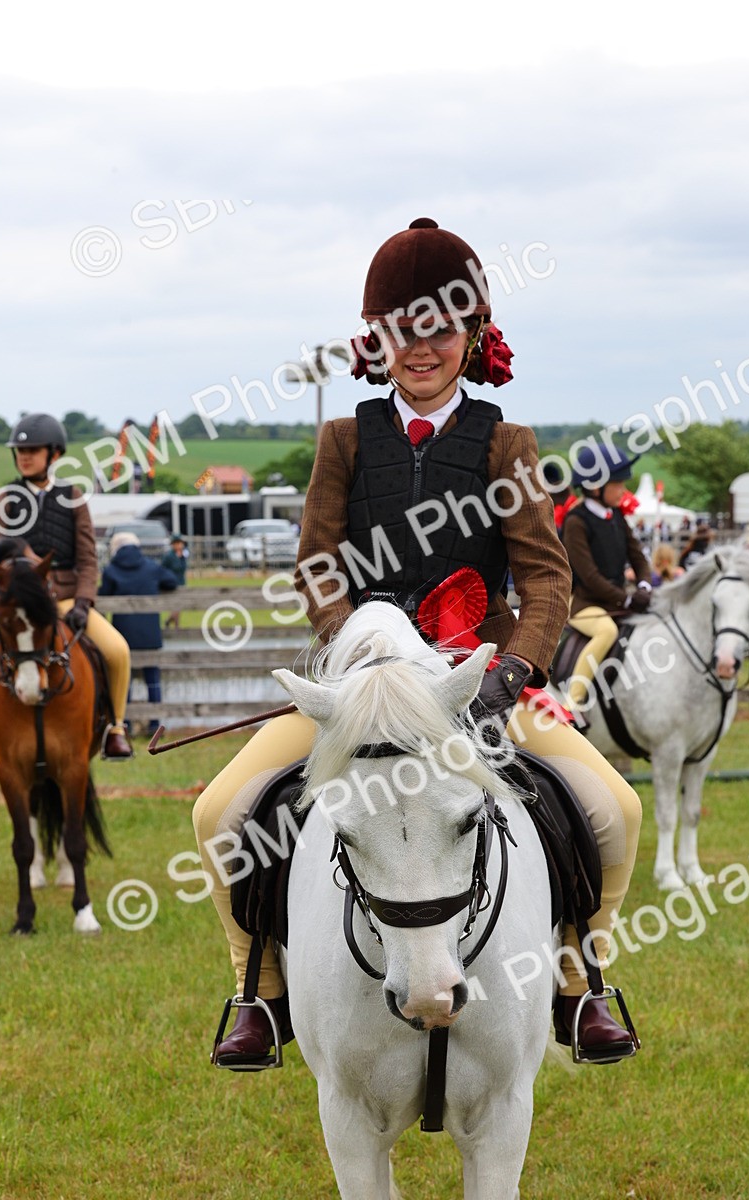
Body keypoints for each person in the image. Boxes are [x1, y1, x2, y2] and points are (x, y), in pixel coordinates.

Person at [193, 217, 642, 1067]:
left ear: (471, 336)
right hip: (365, 685)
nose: (420, 346)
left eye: (438, 328)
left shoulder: (505, 443)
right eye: (403, 329)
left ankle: (581, 986)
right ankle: (261, 994)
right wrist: (358, 648)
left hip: (477, 679)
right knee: (219, 813)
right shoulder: (346, 440)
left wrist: (510, 672)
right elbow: (319, 568)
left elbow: (545, 578)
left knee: (615, 810)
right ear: (380, 339)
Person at [0, 414, 132, 758]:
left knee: (117, 651)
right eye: (20, 450)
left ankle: (115, 729)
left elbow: (88, 560)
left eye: (33, 449)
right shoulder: (4, 501)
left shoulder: (74, 498)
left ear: (54, 454)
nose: (24, 456)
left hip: (65, 600)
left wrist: (83, 603)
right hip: (14, 605)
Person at [561, 447, 653, 711]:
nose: (623, 490)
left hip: (615, 602)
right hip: (584, 604)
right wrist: (625, 597)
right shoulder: (576, 522)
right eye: (618, 484)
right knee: (607, 631)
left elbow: (638, 557)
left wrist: (644, 585)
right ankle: (573, 702)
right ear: (595, 486)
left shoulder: (617, 517)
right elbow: (589, 576)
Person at [99, 531, 179, 732]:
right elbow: (171, 581)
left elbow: (103, 597)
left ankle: (124, 723)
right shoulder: (151, 567)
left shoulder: (110, 571)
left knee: (124, 679)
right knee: (153, 679)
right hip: (149, 634)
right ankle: (154, 724)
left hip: (122, 635)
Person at [161, 535, 188, 629]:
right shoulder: (169, 556)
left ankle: (170, 622)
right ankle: (176, 626)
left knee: (179, 606)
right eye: (177, 543)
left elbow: (183, 568)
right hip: (172, 583)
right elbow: (163, 569)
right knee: (176, 606)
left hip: (182, 582)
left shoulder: (183, 555)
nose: (179, 545)